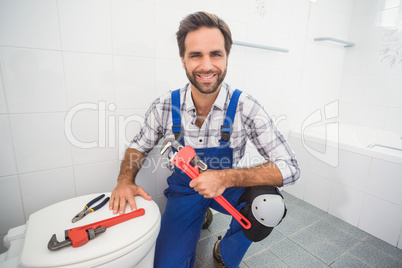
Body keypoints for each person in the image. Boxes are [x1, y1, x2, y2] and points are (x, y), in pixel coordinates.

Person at [109, 11, 300, 268]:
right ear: (183, 59)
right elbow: (138, 146)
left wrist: (225, 177)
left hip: (228, 189)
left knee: (269, 206)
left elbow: (290, 166)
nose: (207, 65)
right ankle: (201, 213)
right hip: (185, 192)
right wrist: (124, 181)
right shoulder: (165, 105)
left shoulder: (246, 106)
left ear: (227, 57)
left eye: (216, 54)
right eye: (196, 55)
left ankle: (225, 251)